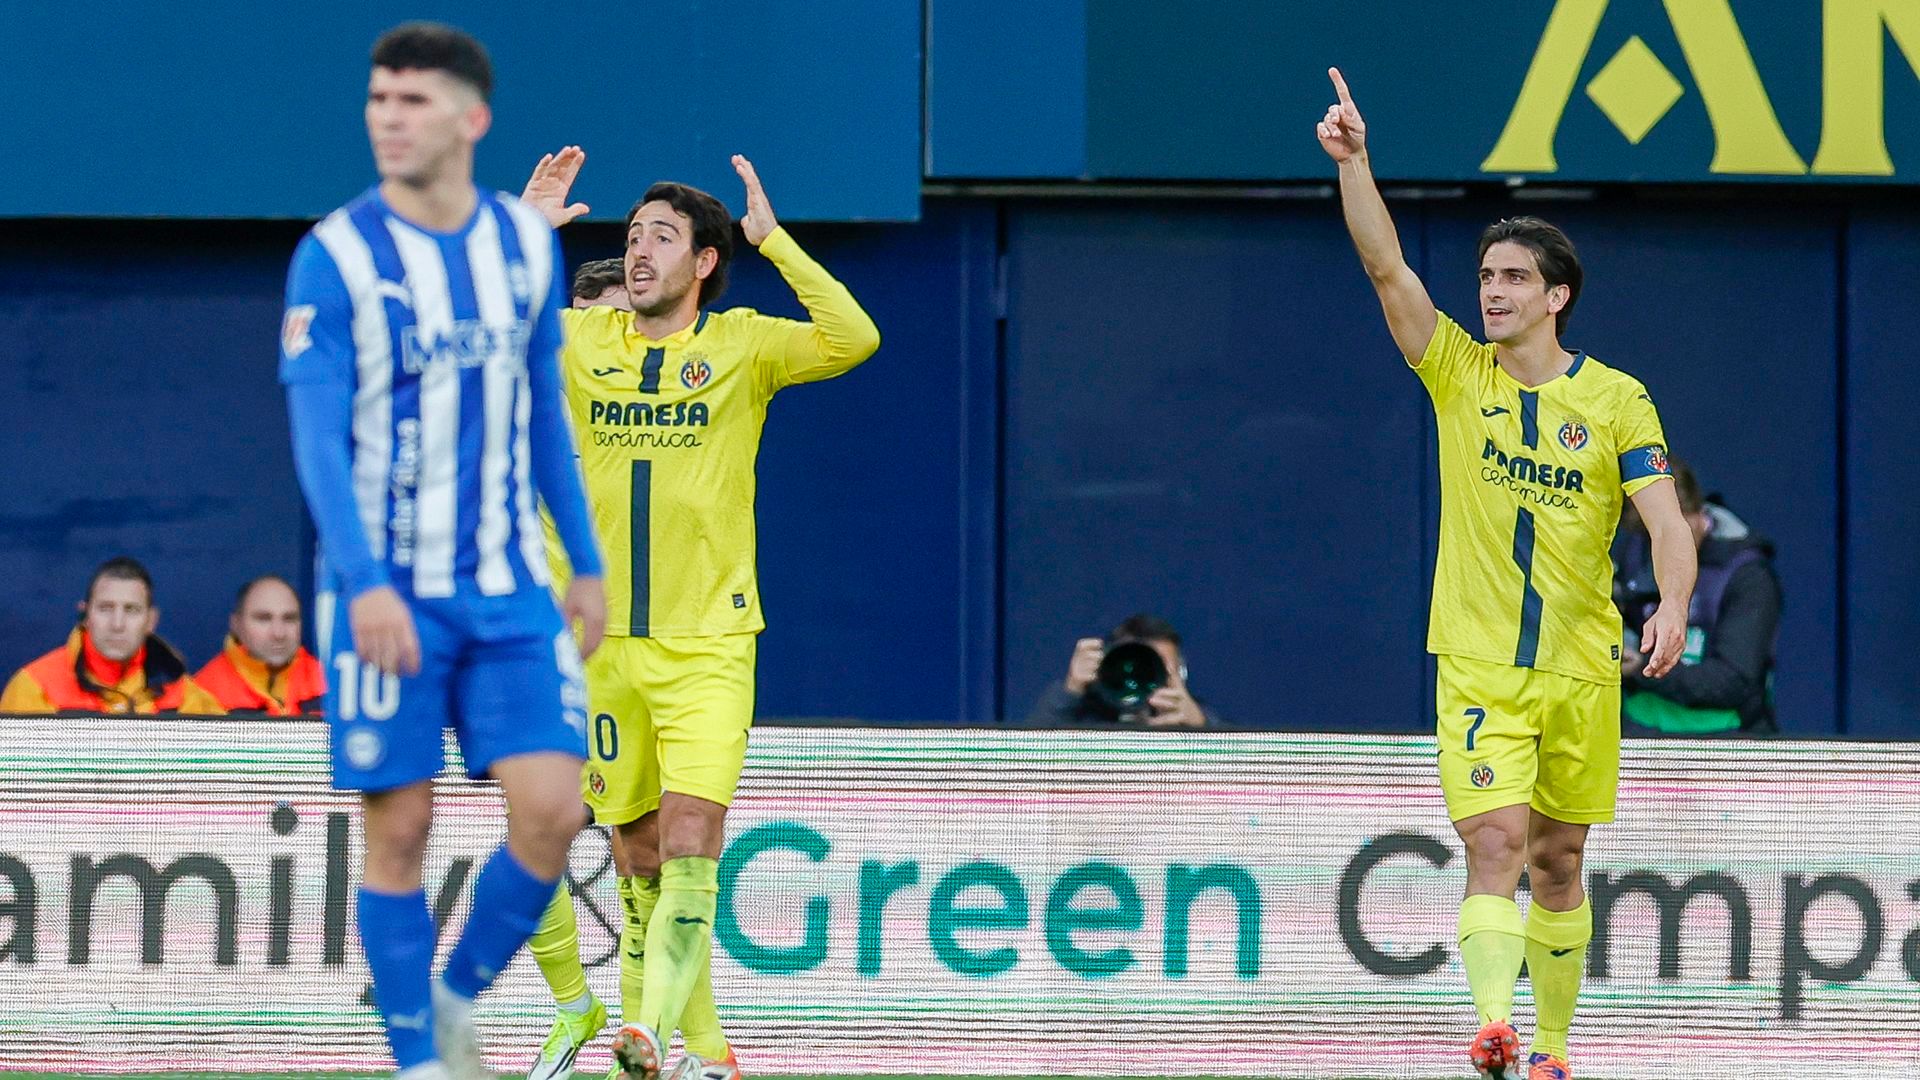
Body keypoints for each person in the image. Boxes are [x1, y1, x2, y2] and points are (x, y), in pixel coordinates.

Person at [1318, 68, 1696, 1080]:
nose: (1491, 291)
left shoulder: (1618, 402)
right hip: (1480, 660)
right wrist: (1357, 164)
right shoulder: (1458, 373)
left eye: (1512, 278)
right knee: (1493, 841)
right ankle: (1492, 1026)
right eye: (1486, 276)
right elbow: (1387, 269)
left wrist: (1675, 600)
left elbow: (1666, 520)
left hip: (1580, 666)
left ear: (1556, 296)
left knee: (1560, 861)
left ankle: (1556, 1049)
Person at [279, 23, 607, 1080]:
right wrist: (363, 580)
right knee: (402, 830)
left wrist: (587, 561)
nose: (386, 117)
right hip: (388, 595)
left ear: (471, 119)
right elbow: (317, 437)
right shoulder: (334, 255)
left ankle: (452, 1006)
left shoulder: (521, 244)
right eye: (378, 98)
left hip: (511, 586)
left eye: (411, 101)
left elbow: (542, 415)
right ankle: (423, 1067)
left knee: (556, 809)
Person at [517, 145, 880, 1080]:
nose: (638, 252)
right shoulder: (580, 341)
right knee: (635, 852)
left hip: (709, 644)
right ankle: (707, 1051)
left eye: (662, 238)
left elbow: (853, 339)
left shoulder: (744, 346)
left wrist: (778, 242)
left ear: (705, 262)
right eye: (632, 236)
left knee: (689, 840)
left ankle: (646, 1031)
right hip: (599, 648)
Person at [519, 260, 740, 1080]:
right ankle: (579, 1008)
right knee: (532, 839)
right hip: (545, 647)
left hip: (636, 655)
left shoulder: (657, 427)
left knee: (647, 865)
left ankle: (687, 1047)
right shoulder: (540, 399)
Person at [1615, 460, 1780, 735]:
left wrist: (1644, 667)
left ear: (1698, 512)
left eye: (1678, 531)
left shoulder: (1746, 575)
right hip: (1637, 733)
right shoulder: (1634, 550)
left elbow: (1734, 681)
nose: (1667, 545)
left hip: (1724, 741)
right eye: (1655, 534)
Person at [0, 556, 225, 715]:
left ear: (151, 620)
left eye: (131, 610)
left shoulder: (184, 693)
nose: (117, 624)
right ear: (86, 615)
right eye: (106, 608)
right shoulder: (35, 687)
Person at [1024, 613, 1219, 727]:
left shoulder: (1190, 717)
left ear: (1179, 672)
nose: (1140, 677)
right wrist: (1071, 689)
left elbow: (1239, 780)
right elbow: (1023, 763)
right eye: (1134, 665)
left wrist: (1202, 729)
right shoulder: (1081, 718)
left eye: (1154, 666)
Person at [194, 575, 328, 715]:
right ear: (236, 624)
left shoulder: (332, 684)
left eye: (289, 619)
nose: (278, 633)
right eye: (263, 619)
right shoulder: (199, 695)